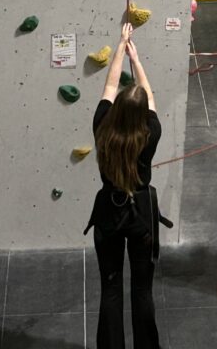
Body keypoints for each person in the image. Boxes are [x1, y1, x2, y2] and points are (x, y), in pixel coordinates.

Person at [85, 23, 167, 348]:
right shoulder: (151, 132)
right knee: (143, 290)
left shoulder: (102, 126)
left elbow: (108, 85)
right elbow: (150, 96)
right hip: (141, 215)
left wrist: (121, 45)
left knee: (111, 287)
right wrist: (137, 58)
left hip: (109, 213)